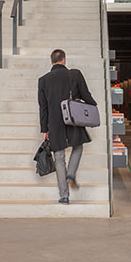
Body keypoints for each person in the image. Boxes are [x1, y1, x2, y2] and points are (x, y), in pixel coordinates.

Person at [37, 48, 96, 205]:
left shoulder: (43, 80)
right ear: (64, 60)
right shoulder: (75, 74)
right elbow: (86, 95)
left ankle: (64, 196)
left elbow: (43, 107)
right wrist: (93, 107)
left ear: (52, 62)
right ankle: (71, 174)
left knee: (59, 157)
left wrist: (44, 129)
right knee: (78, 146)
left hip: (54, 122)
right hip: (72, 118)